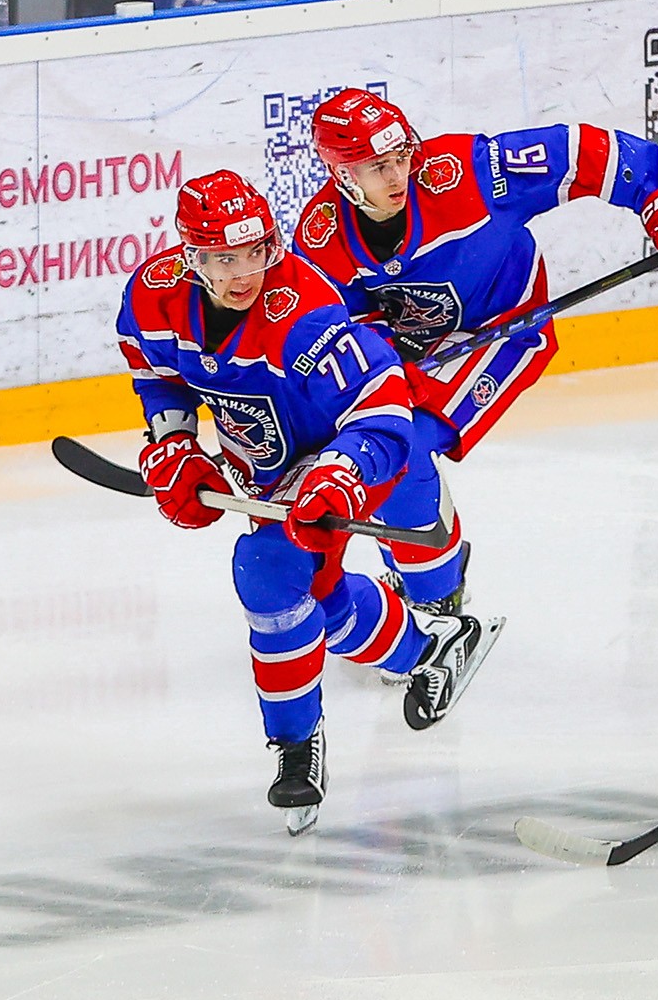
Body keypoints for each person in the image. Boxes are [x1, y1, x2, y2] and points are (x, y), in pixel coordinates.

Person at [116, 169, 501, 835]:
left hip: (355, 454)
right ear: (190, 257)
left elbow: (382, 410)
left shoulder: (302, 315)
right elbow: (158, 377)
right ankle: (426, 651)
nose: (244, 273)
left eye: (257, 252)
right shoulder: (154, 297)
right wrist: (175, 444)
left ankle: (304, 736)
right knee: (308, 595)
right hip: (272, 470)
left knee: (280, 571)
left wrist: (340, 476)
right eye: (224, 259)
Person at [292, 87, 658, 612]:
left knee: (405, 444)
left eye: (401, 155)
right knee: (372, 442)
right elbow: (337, 323)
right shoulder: (320, 238)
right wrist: (382, 358)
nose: (397, 175)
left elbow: (582, 151)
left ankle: (437, 595)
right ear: (342, 175)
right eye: (378, 167)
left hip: (505, 327)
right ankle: (412, 567)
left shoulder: (466, 173)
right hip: (415, 348)